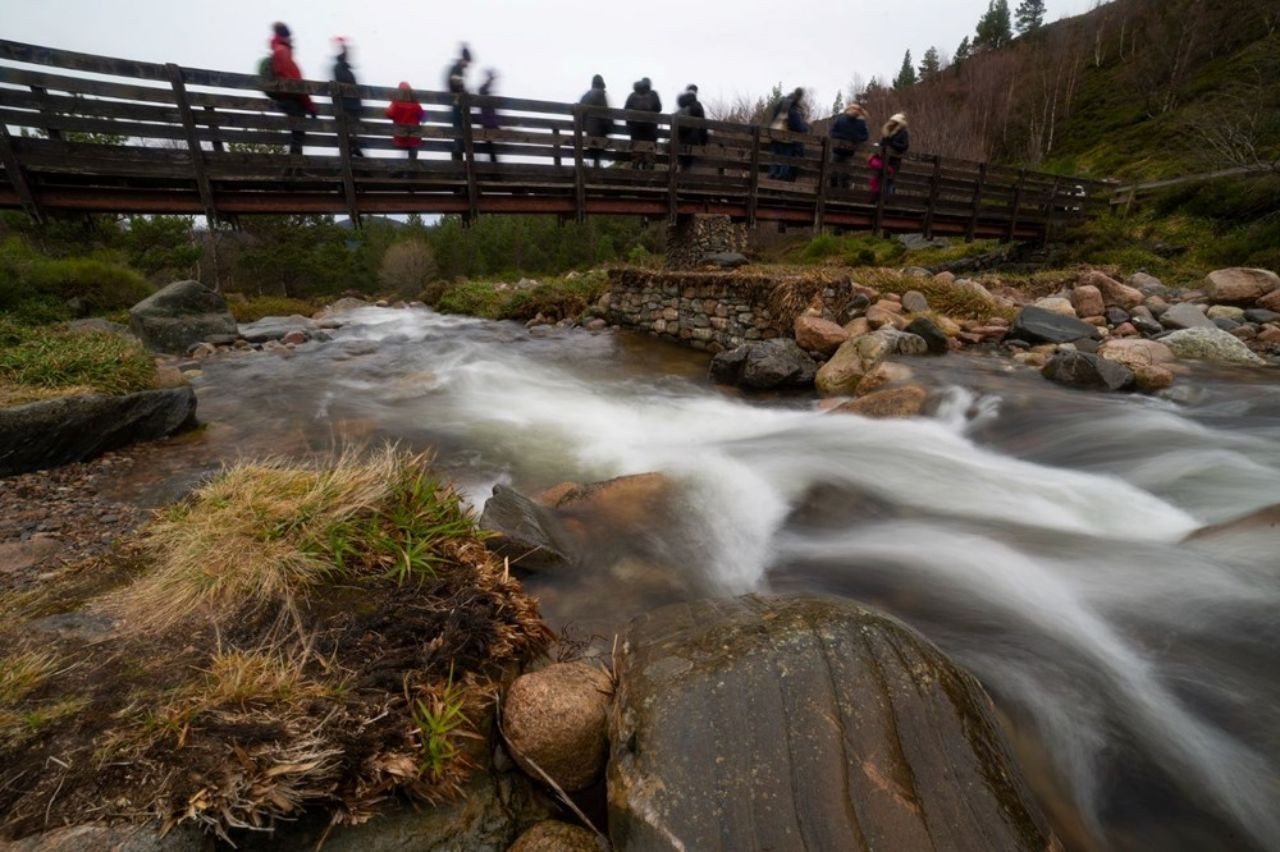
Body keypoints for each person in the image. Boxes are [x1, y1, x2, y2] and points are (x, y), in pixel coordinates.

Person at [268, 22, 317, 155]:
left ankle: (294, 169)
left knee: (295, 134)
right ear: (285, 37)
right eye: (290, 37)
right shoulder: (283, 53)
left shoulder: (277, 51)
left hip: (285, 99)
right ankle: (295, 169)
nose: (292, 40)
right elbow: (296, 84)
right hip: (292, 100)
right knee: (297, 133)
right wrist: (310, 105)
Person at [766, 87, 809, 181]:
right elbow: (798, 126)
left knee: (775, 161)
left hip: (775, 136)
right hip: (786, 140)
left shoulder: (781, 104)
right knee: (785, 162)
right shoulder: (793, 107)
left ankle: (770, 181)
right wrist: (806, 126)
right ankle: (779, 184)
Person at [331, 37, 363, 157]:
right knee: (348, 136)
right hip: (347, 107)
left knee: (350, 136)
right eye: (346, 52)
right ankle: (355, 159)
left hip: (351, 107)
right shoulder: (340, 68)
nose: (348, 54)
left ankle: (355, 157)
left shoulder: (344, 68)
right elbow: (346, 86)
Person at [624, 77, 662, 169]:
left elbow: (625, 111)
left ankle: (635, 178)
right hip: (651, 131)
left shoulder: (632, 95)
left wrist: (630, 125)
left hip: (635, 131)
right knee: (649, 156)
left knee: (636, 156)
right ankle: (648, 180)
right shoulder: (653, 94)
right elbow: (659, 108)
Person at [829, 102, 869, 188]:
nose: (854, 111)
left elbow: (865, 136)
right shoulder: (842, 120)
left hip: (843, 152)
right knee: (838, 174)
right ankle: (836, 193)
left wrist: (856, 138)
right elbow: (832, 133)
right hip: (842, 151)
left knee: (841, 174)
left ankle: (837, 193)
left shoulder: (860, 123)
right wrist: (849, 138)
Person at [579, 74, 614, 168]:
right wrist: (610, 127)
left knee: (594, 152)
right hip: (600, 130)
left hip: (589, 130)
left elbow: (580, 113)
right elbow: (606, 113)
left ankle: (594, 172)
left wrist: (583, 127)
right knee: (599, 152)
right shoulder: (601, 94)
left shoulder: (586, 96)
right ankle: (597, 172)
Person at [385, 82, 425, 159]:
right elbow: (423, 117)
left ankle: (403, 167)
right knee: (414, 145)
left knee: (402, 145)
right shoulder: (416, 106)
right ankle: (412, 165)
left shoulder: (395, 105)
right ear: (411, 92)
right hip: (414, 139)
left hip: (400, 138)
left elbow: (388, 114)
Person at [445, 44, 472, 161]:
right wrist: (464, 91)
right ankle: (458, 155)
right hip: (457, 103)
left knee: (459, 130)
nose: (468, 65)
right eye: (467, 62)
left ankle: (458, 154)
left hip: (457, 103)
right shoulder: (457, 69)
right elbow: (455, 83)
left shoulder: (457, 68)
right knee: (458, 129)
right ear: (464, 60)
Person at [674, 84, 707, 171]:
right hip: (693, 140)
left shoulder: (681, 105)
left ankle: (676, 182)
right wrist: (704, 142)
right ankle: (684, 182)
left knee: (680, 163)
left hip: (679, 140)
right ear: (695, 93)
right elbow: (703, 125)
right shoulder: (697, 105)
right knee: (688, 165)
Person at [879, 113, 910, 194]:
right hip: (884, 159)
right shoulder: (887, 130)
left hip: (894, 161)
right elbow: (883, 143)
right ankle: (882, 199)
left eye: (894, 121)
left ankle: (888, 200)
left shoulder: (903, 132)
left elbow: (904, 146)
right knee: (882, 180)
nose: (892, 123)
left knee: (890, 180)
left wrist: (891, 143)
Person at [476, 70, 500, 163]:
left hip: (488, 124)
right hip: (489, 125)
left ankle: (493, 170)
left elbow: (482, 89)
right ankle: (493, 170)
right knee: (490, 148)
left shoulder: (486, 97)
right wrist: (490, 79)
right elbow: (482, 89)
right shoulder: (486, 97)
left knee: (490, 148)